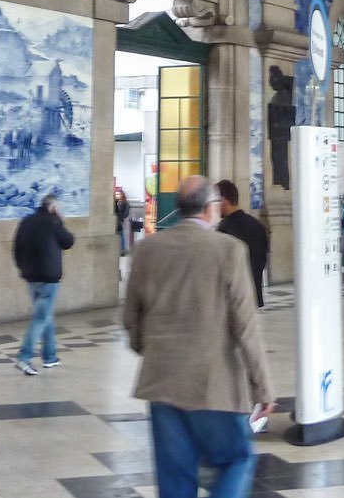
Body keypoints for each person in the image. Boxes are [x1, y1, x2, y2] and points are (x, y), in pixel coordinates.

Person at [122, 175, 274, 498]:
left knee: (175, 479)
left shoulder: (148, 248)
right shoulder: (229, 250)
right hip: (212, 383)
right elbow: (246, 326)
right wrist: (262, 387)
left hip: (161, 381)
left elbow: (131, 317)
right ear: (210, 209)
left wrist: (150, 349)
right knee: (236, 458)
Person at [13, 193, 76, 374]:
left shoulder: (26, 222)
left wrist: (22, 267)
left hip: (31, 276)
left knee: (45, 315)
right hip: (49, 277)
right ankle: (24, 357)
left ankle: (50, 356)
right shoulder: (53, 222)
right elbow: (68, 241)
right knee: (41, 317)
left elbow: (16, 248)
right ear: (53, 207)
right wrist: (60, 220)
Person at [215, 179, 270, 308]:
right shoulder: (258, 226)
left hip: (232, 297)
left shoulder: (224, 229)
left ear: (224, 200)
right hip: (253, 294)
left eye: (215, 201)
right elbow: (262, 261)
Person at [114, 187, 130, 256]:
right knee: (120, 236)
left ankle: (122, 250)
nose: (117, 195)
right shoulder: (116, 203)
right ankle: (120, 250)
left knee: (121, 236)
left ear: (122, 195)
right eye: (116, 194)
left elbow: (125, 214)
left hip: (119, 222)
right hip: (117, 221)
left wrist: (120, 217)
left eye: (118, 194)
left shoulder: (123, 203)